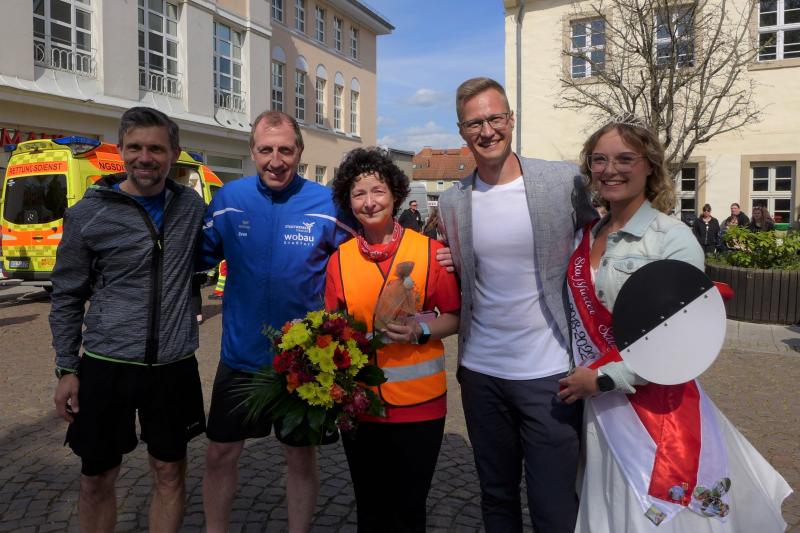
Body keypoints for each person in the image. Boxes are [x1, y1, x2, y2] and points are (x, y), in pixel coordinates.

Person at [558, 116, 792, 532]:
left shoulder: (672, 238)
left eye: (625, 159)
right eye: (599, 159)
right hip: (600, 408)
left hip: (652, 406)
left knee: (651, 515)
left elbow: (683, 338)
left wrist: (605, 379)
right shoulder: (585, 235)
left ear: (650, 166)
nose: (610, 170)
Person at [438, 77, 596, 533]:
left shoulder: (562, 181)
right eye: (475, 123)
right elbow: (460, 275)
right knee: (497, 497)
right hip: (482, 372)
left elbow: (598, 244)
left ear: (511, 119)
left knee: (555, 505)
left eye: (495, 118)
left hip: (549, 372)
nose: (487, 131)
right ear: (462, 130)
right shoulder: (452, 201)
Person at [50, 107, 207, 532]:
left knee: (170, 473)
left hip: (173, 365)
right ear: (120, 149)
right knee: (96, 478)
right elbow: (66, 295)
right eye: (134, 147)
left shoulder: (191, 207)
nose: (145, 157)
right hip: (107, 364)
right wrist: (66, 367)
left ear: (174, 152)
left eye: (156, 148)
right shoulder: (88, 214)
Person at [197, 111, 352, 533]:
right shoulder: (229, 199)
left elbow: (364, 256)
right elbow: (193, 257)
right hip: (241, 357)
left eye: (285, 149)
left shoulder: (327, 204)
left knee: (299, 457)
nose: (276, 160)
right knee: (220, 454)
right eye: (266, 150)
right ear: (252, 152)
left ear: (300, 151)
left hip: (305, 361)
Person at [325, 147, 460, 532]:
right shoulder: (339, 261)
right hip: (361, 405)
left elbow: (455, 316)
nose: (369, 202)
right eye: (358, 193)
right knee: (370, 509)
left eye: (378, 190)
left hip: (421, 405)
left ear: (396, 194)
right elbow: (333, 332)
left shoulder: (431, 252)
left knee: (409, 510)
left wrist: (421, 330)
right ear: (348, 202)